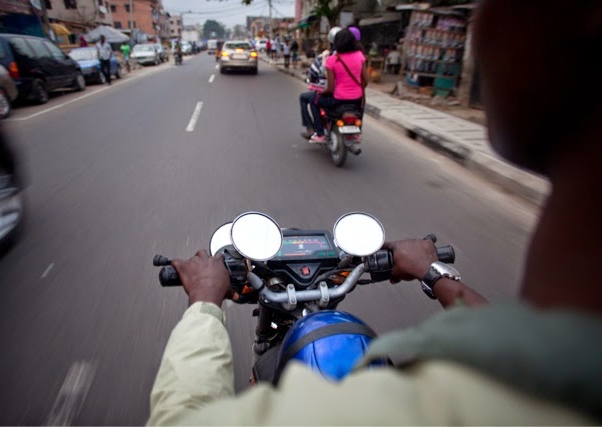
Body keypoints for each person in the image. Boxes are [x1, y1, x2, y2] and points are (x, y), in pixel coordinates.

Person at [148, 1, 602, 424]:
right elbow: (519, 357)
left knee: (312, 102)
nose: (481, 24)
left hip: (334, 104)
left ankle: (318, 131)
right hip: (357, 106)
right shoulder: (549, 384)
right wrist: (434, 272)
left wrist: (204, 303)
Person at [307, 28, 366, 143]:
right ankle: (356, 133)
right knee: (362, 106)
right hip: (356, 99)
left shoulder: (331, 60)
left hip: (338, 99)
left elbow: (331, 88)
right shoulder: (360, 56)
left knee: (313, 101)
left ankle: (320, 134)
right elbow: (366, 80)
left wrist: (321, 92)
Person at [299, 27, 341, 140]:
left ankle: (316, 130)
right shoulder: (351, 57)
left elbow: (313, 75)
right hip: (348, 95)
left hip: (331, 93)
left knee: (311, 100)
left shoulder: (325, 57)